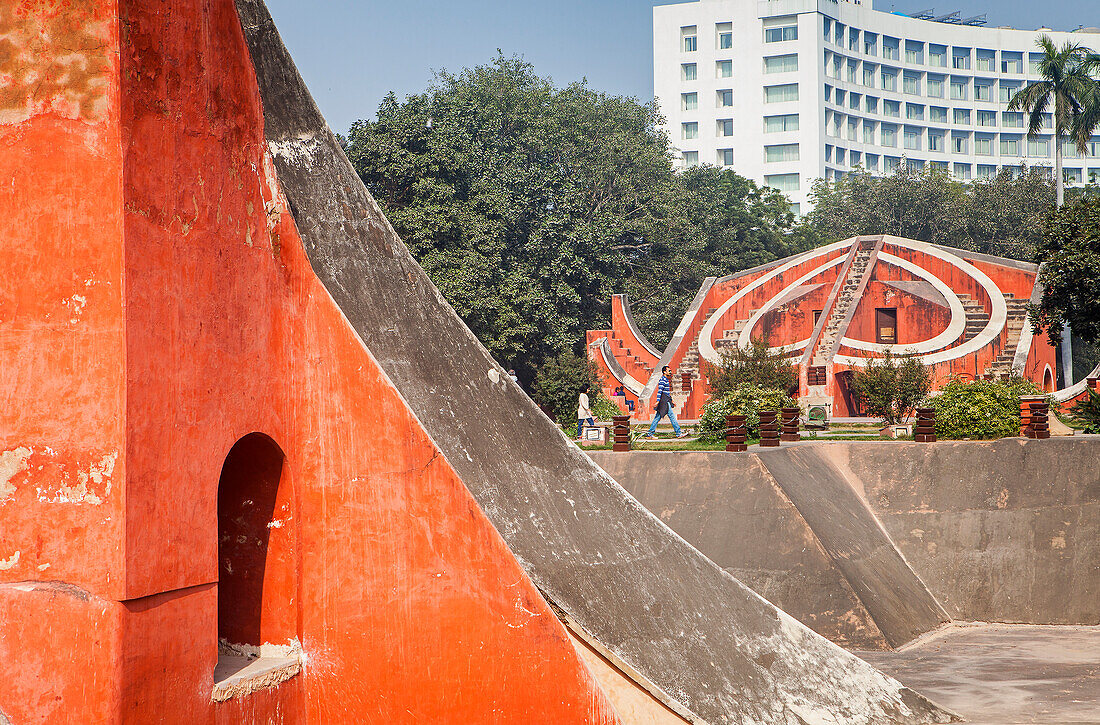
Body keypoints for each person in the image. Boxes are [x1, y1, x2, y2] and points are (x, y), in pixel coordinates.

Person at [645, 366, 687, 438]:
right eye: (669, 371)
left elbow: (667, 393)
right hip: (664, 402)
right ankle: (678, 433)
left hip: (666, 400)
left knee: (658, 417)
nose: (670, 372)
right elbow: (660, 391)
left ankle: (650, 433)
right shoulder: (662, 380)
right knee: (672, 417)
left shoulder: (666, 380)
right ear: (664, 372)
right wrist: (658, 401)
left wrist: (671, 400)